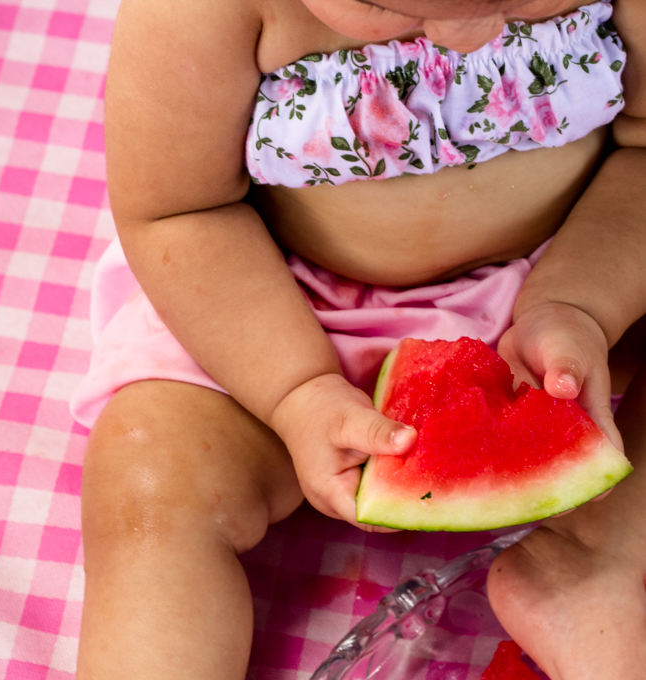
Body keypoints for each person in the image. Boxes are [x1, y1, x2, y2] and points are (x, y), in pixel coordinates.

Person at [69, 0, 646, 676]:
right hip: (271, 308)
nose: (474, 36)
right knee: (148, 474)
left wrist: (583, 303)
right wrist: (293, 388)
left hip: (573, 272)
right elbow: (181, 214)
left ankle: (594, 553)